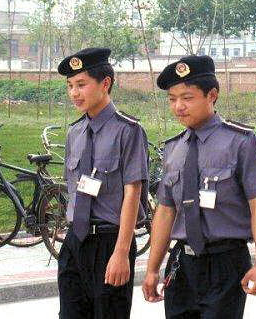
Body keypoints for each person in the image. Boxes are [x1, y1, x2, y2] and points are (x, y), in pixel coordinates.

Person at [142, 55, 256, 319]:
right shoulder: (173, 148)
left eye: (187, 98)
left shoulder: (240, 141)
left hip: (226, 262)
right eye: (172, 99)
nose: (178, 106)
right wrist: (153, 268)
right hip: (182, 262)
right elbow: (166, 212)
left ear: (212, 95)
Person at [57, 47, 149, 319]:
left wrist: (122, 252)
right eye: (70, 86)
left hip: (110, 242)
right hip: (75, 241)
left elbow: (133, 193)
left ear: (105, 83)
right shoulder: (75, 132)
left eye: (82, 85)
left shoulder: (128, 131)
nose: (74, 93)